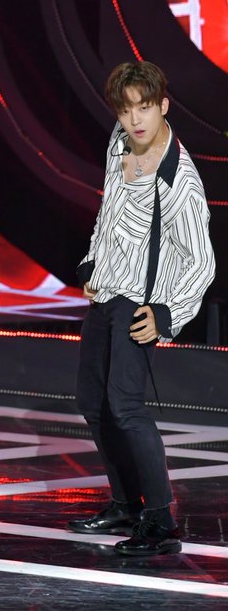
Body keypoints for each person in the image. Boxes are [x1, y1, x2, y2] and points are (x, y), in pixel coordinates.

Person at [66, 61, 215, 556]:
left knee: (126, 406)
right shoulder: (119, 142)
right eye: (126, 109)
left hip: (139, 304)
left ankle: (160, 519)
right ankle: (127, 503)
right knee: (93, 402)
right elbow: (108, 209)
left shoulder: (180, 179)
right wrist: (92, 262)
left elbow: (201, 262)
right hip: (106, 292)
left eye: (145, 108)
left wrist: (166, 314)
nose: (135, 120)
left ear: (163, 106)